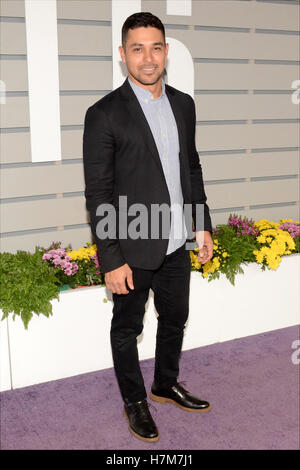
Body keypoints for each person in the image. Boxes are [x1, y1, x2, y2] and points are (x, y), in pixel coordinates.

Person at [83, 12, 214, 443]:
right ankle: (134, 401)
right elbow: (99, 195)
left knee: (176, 317)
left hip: (177, 242)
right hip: (132, 246)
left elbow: (190, 169)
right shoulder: (103, 114)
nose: (147, 57)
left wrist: (202, 225)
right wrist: (111, 259)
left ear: (166, 52)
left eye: (155, 47)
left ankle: (164, 384)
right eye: (137, 48)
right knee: (127, 328)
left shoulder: (184, 104)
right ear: (123, 55)